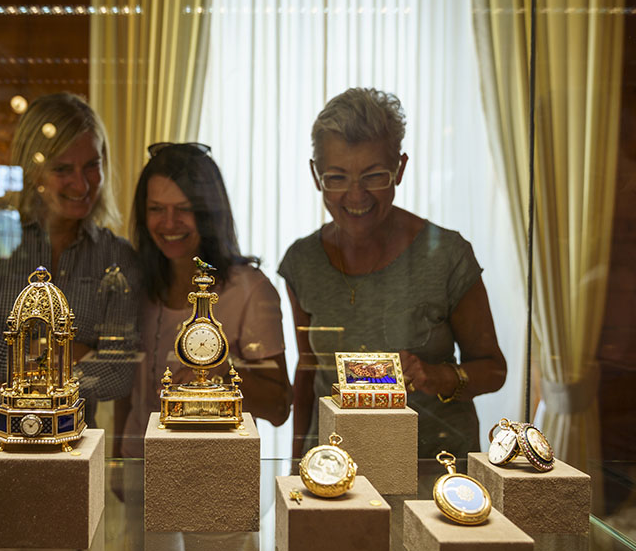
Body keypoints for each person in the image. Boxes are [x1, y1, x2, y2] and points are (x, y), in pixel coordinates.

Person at [278, 88, 507, 459]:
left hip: (434, 472)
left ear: (399, 169)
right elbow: (307, 378)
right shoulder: (302, 261)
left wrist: (436, 377)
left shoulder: (447, 255)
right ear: (315, 175)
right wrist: (294, 471)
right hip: (333, 476)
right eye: (337, 177)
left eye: (374, 176)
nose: (356, 197)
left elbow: (493, 370)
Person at [0, 92, 141, 428]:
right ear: (33, 170)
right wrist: (71, 355)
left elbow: (118, 372)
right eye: (63, 168)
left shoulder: (116, 255)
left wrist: (5, 368)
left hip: (63, 444)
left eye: (92, 165)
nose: (81, 183)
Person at [118, 142, 292, 458]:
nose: (169, 223)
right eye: (157, 209)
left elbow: (279, 407)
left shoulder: (251, 290)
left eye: (184, 209)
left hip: (214, 475)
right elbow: (126, 388)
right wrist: (116, 458)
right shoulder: (136, 282)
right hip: (135, 470)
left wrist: (220, 371)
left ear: (209, 213)